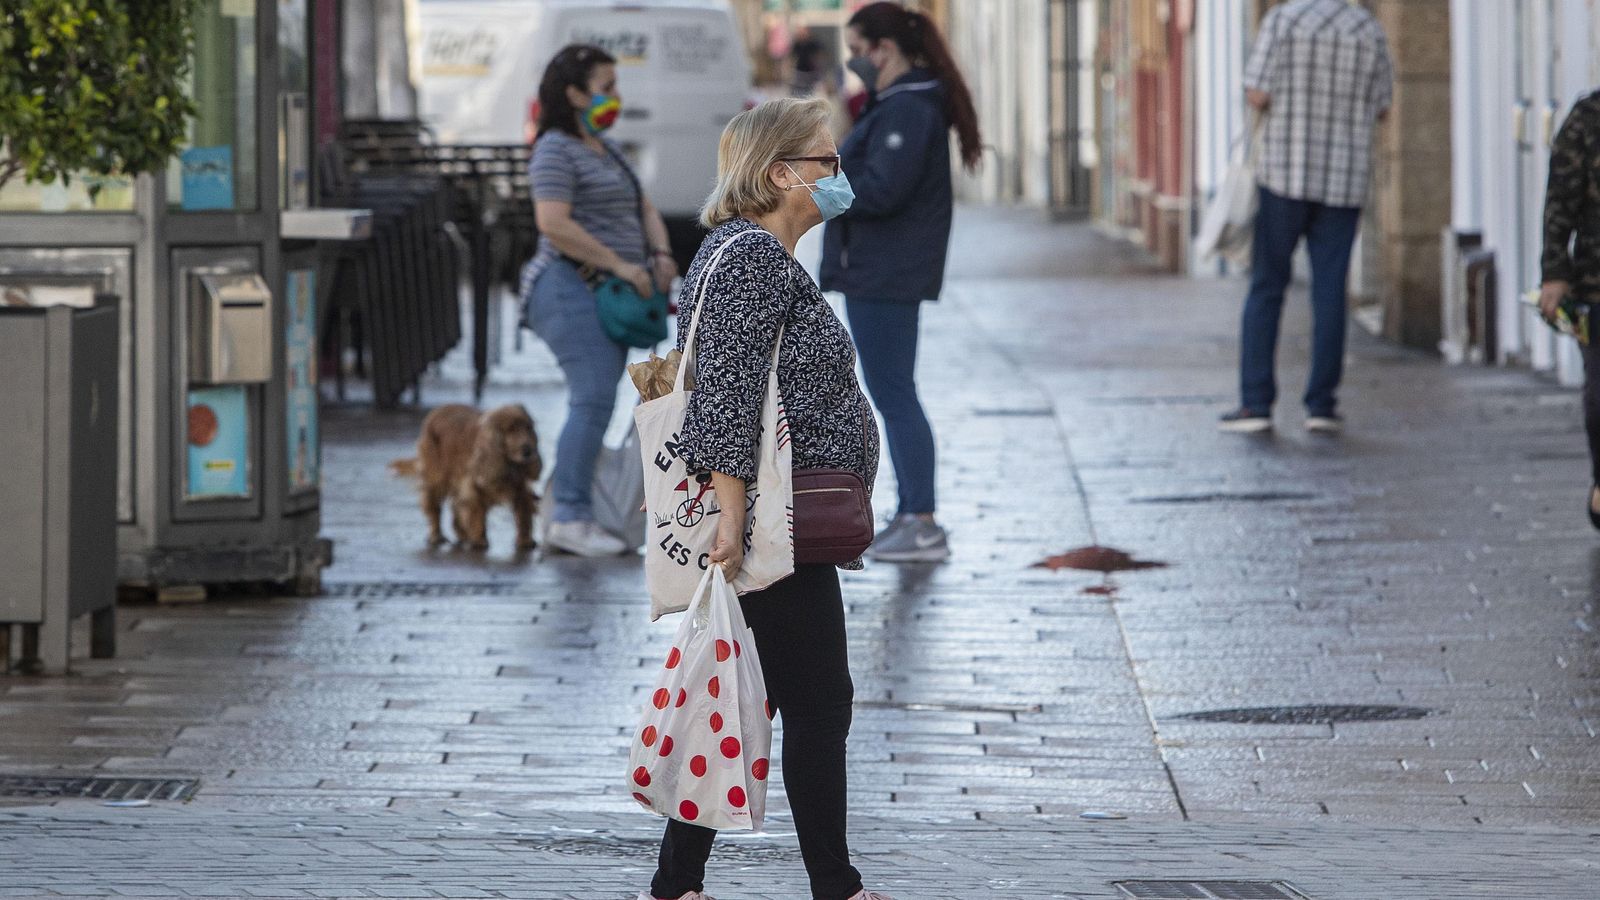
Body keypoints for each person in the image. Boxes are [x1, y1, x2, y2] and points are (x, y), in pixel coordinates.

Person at [638, 97, 890, 900]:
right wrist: (735, 521)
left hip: (775, 523)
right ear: (781, 173)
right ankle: (836, 887)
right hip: (774, 528)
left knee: (750, 697)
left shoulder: (745, 254)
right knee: (819, 704)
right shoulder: (751, 259)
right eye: (829, 163)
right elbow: (728, 396)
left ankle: (677, 883)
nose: (840, 176)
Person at [819, 2, 981, 563]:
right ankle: (912, 512)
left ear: (884, 50)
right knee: (892, 390)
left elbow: (882, 190)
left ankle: (921, 519)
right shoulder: (894, 104)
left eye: (859, 51)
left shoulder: (910, 109)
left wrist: (818, 190)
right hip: (877, 270)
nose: (856, 62)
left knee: (894, 393)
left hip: (886, 273)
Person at [522, 45, 678, 556]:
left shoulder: (602, 146)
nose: (615, 97)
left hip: (611, 288)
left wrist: (657, 253)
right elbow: (553, 223)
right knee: (591, 397)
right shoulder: (555, 149)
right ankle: (569, 513)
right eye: (605, 87)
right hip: (569, 286)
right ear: (573, 93)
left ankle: (573, 503)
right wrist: (618, 264)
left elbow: (646, 206)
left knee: (598, 396)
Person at [1218, 0, 1392, 435]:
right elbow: (1383, 106)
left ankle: (1256, 404)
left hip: (1284, 176)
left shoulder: (1284, 20)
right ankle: (1321, 404)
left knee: (1267, 287)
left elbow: (1256, 91)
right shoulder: (1368, 29)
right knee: (1330, 290)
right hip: (1343, 180)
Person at [1539, 89, 1600, 528]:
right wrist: (1555, 272)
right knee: (1599, 395)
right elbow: (1561, 197)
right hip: (1596, 287)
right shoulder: (1589, 116)